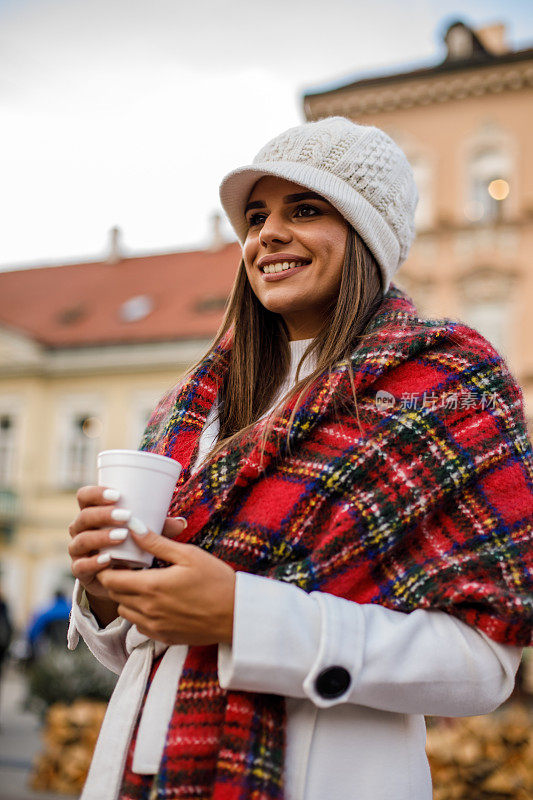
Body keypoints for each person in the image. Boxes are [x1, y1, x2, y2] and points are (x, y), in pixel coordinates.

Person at [67, 117, 532, 800]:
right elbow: (142, 653)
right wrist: (108, 591)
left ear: (367, 232)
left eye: (305, 209)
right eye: (255, 217)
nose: (266, 235)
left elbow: (481, 668)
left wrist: (243, 617)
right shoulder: (188, 407)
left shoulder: (450, 388)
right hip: (141, 774)